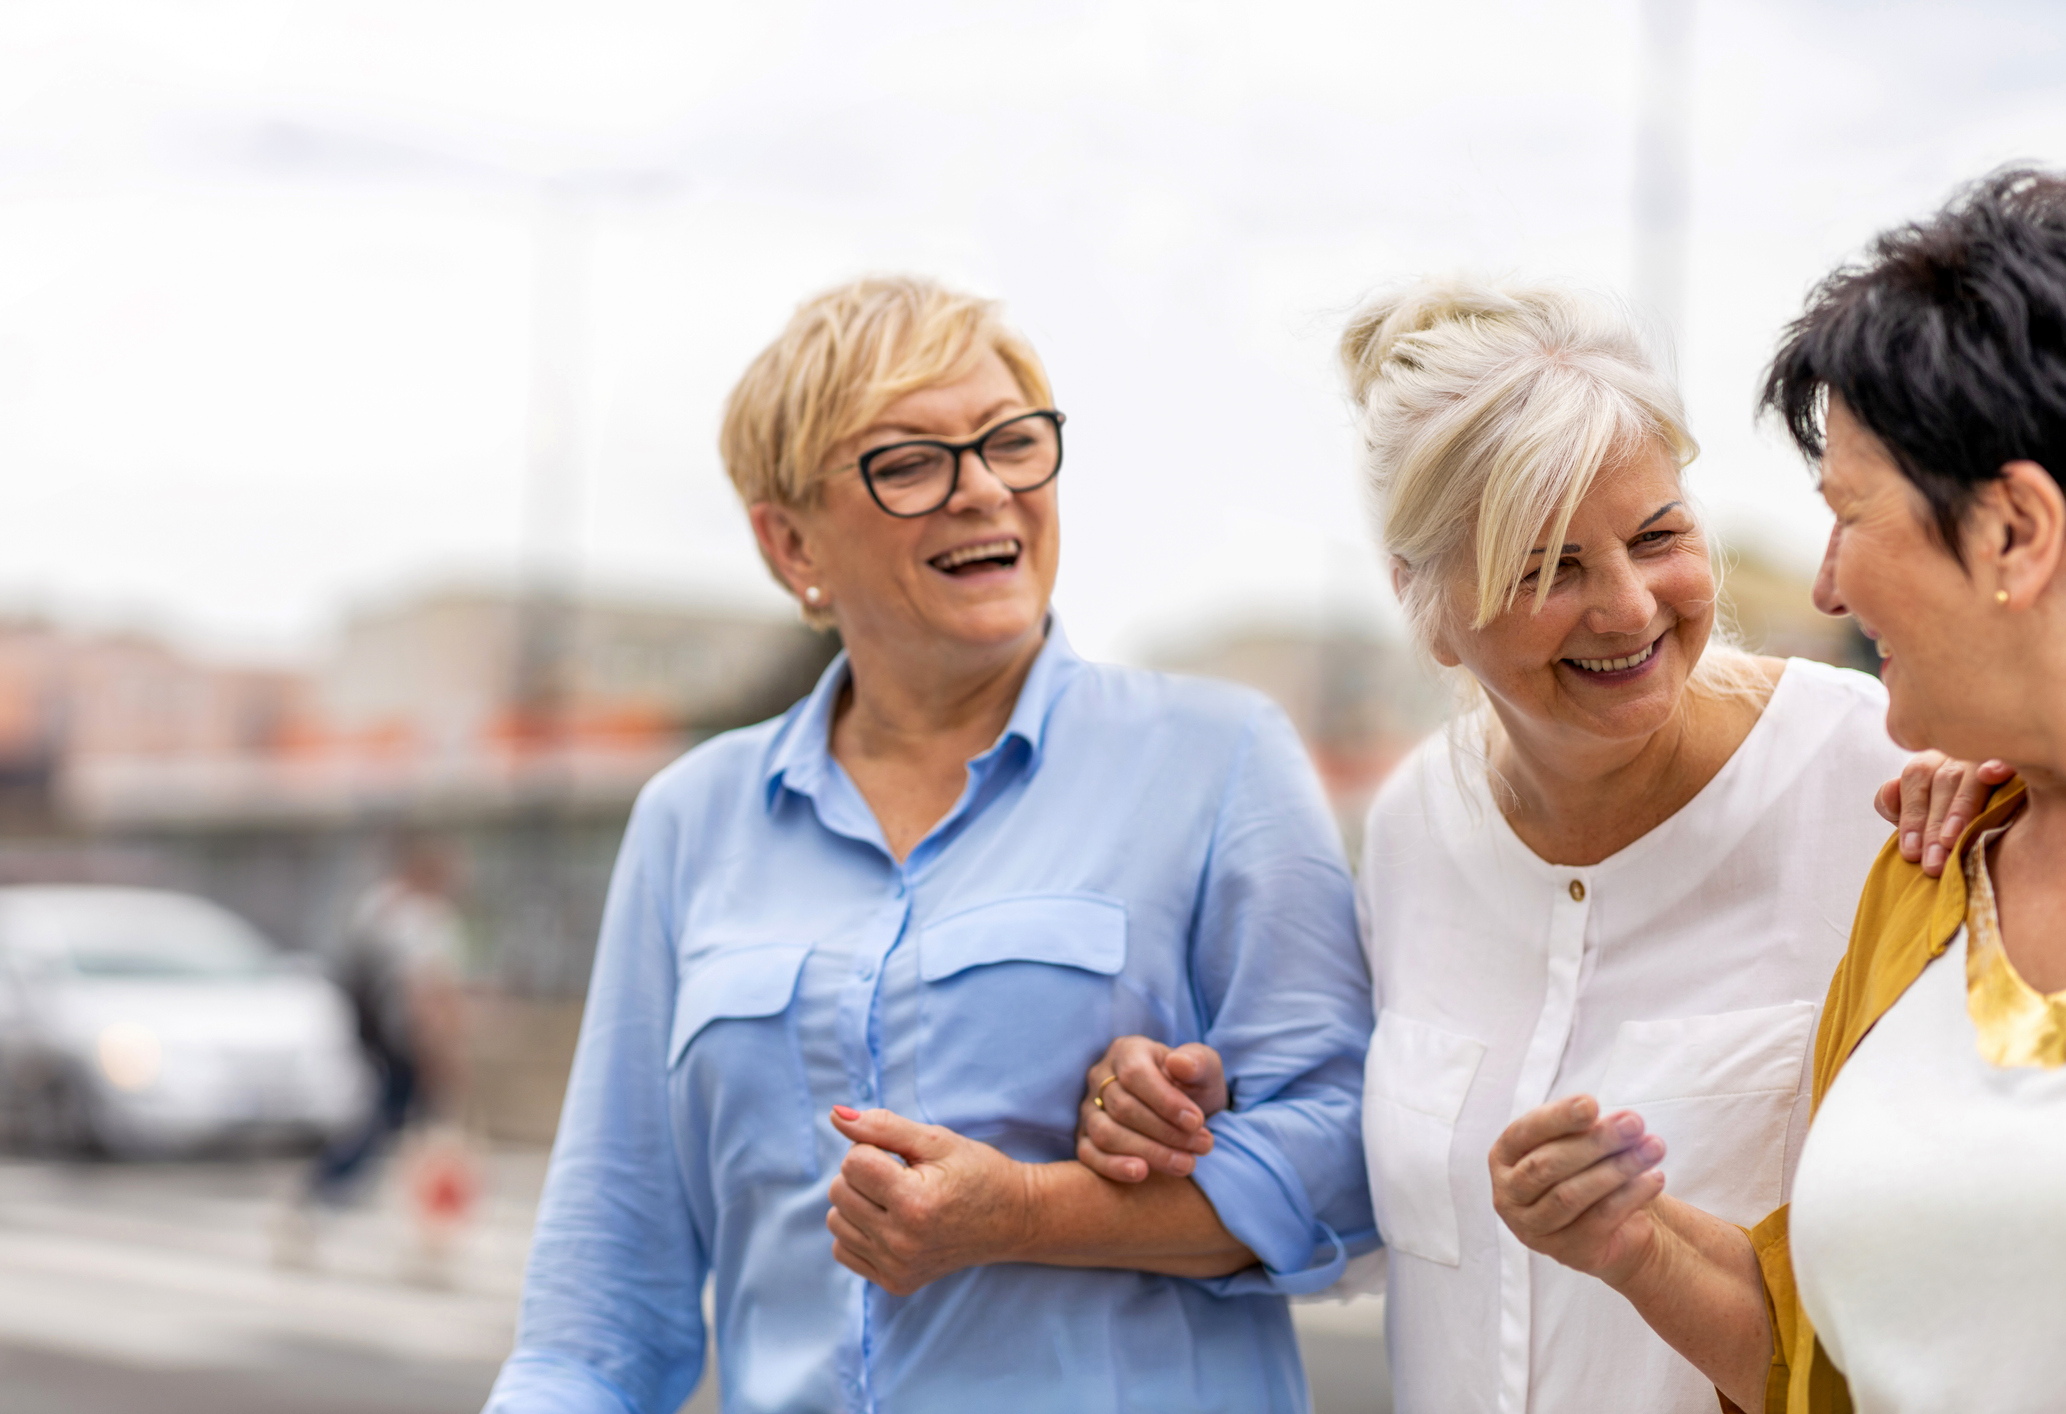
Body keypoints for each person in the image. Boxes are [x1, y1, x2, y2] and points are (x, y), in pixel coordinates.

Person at [1077, 277, 2000, 1414]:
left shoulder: (1889, 786)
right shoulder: (1414, 827)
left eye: (1658, 535)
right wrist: (1188, 1107)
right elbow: (1374, 1196)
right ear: (1423, 600)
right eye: (1547, 566)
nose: (1626, 607)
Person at [482, 276, 1375, 1414]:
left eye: (1011, 442)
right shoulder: (689, 819)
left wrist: (1027, 1210)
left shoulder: (1217, 760)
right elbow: (599, 1314)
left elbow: (1356, 1161)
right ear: (788, 538)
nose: (985, 489)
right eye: (910, 463)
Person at [1492, 169, 2066, 1414]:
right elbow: (1826, 1361)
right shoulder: (1929, 877)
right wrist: (1634, 1240)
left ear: (2014, 533)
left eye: (1850, 513)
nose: (1826, 586)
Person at [311, 833, 469, 1202]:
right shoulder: (424, 920)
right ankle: (336, 1187)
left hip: (373, 1034)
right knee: (398, 1119)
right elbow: (427, 991)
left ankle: (343, 1188)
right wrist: (440, 1052)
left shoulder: (379, 906)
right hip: (405, 1039)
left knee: (399, 1118)